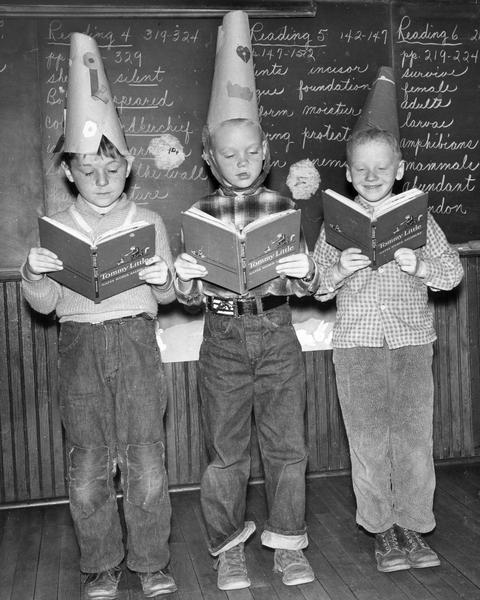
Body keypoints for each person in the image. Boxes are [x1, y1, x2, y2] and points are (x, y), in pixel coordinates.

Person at [20, 33, 177, 599]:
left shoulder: (149, 220)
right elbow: (44, 305)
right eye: (88, 171)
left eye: (110, 169)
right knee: (88, 464)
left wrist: (165, 279)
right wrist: (36, 273)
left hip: (135, 342)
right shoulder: (56, 229)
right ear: (69, 174)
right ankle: (100, 564)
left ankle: (152, 561)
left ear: (128, 165)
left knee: (146, 461)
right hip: (79, 346)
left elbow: (167, 298)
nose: (101, 180)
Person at [174, 11, 317, 592]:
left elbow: (306, 283)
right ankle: (229, 546)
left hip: (277, 331)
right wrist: (185, 276)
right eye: (228, 155)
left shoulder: (283, 208)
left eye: (251, 152)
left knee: (287, 448)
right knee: (226, 453)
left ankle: (286, 543)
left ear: (265, 152)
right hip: (223, 337)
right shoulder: (198, 217)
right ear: (210, 159)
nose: (241, 163)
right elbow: (187, 295)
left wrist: (305, 269)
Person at [313, 67, 464, 573]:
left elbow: (452, 272)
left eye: (382, 167)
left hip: (411, 343)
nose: (372, 176)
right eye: (362, 169)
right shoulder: (337, 225)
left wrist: (419, 264)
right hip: (356, 347)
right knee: (369, 441)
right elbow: (315, 282)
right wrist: (339, 266)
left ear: (399, 169)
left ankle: (414, 528)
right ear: (349, 174)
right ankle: (381, 529)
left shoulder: (419, 220)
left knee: (413, 438)